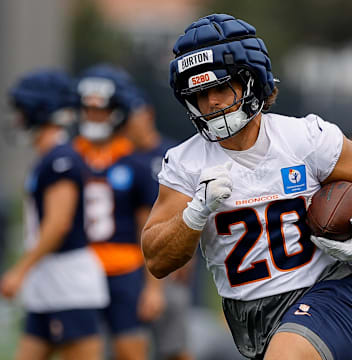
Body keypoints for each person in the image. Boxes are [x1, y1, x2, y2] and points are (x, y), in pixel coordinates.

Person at [141, 13, 352, 360]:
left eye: (220, 87)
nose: (211, 103)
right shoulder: (185, 163)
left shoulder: (305, 138)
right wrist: (196, 211)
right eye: (200, 93)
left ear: (252, 80)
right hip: (249, 316)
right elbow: (157, 259)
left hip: (324, 293)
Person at [0, 69, 109, 360]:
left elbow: (58, 224)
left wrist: (20, 269)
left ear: (40, 110)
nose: (18, 119)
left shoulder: (61, 159)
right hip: (47, 282)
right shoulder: (50, 158)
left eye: (23, 110)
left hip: (68, 284)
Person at [73, 64, 165, 360]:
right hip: (79, 268)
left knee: (130, 350)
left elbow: (147, 228)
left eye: (101, 110)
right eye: (88, 109)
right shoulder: (68, 158)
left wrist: (153, 287)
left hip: (125, 269)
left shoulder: (134, 162)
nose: (93, 116)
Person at [122, 86, 195, 360]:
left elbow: (189, 213)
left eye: (132, 115)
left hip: (166, 261)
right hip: (129, 265)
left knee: (173, 347)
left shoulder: (173, 154)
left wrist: (185, 260)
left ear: (147, 115)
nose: (128, 123)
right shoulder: (122, 157)